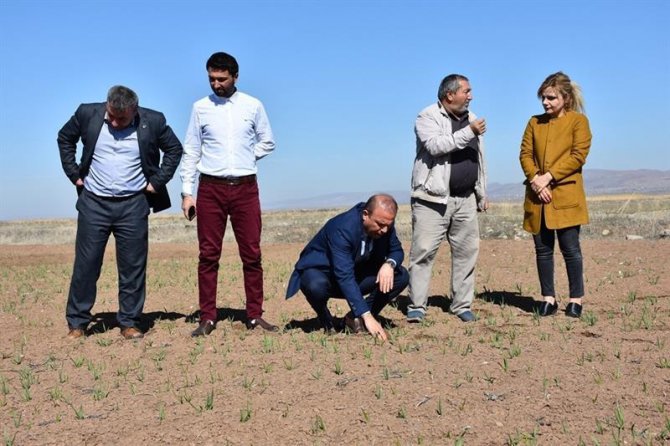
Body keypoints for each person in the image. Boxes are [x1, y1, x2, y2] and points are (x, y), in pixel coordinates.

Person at [58, 85, 183, 340]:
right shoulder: (87, 114)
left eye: (122, 118)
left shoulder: (153, 121)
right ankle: (77, 323)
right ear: (106, 105)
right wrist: (74, 174)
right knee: (87, 264)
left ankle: (129, 322)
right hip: (94, 203)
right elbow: (64, 138)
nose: (114, 123)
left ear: (135, 110)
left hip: (133, 204)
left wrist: (156, 182)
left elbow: (174, 149)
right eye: (111, 116)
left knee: (133, 266)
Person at [181, 51, 277, 337]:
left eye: (221, 79)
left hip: (246, 188)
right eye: (211, 78)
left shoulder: (253, 105)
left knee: (252, 253)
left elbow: (268, 141)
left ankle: (254, 315)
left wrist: (246, 157)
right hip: (210, 188)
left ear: (235, 76)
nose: (216, 84)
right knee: (208, 255)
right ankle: (207, 316)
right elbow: (191, 151)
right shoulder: (200, 108)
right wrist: (187, 192)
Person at [406, 74, 488, 324]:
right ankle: (417, 306)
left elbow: (479, 159)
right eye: (466, 91)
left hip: (465, 199)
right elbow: (436, 146)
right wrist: (469, 132)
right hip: (432, 199)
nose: (471, 96)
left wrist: (481, 192)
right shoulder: (427, 116)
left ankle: (461, 304)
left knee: (466, 253)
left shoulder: (472, 119)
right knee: (423, 253)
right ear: (449, 94)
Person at [285, 194, 409, 340]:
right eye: (380, 224)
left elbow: (397, 250)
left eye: (388, 225)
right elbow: (344, 275)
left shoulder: (385, 224)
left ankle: (352, 318)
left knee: (400, 276)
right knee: (313, 284)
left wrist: (389, 264)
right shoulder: (342, 228)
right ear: (365, 215)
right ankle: (326, 320)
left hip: (355, 272)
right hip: (327, 275)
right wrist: (368, 316)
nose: (384, 230)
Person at [519, 72, 592, 318]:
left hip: (566, 197)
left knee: (571, 249)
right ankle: (548, 298)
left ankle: (575, 300)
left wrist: (548, 177)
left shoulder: (578, 122)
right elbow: (525, 154)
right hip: (537, 198)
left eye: (551, 97)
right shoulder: (533, 122)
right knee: (543, 250)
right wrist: (536, 182)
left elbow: (578, 156)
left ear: (566, 97)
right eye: (543, 98)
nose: (545, 102)